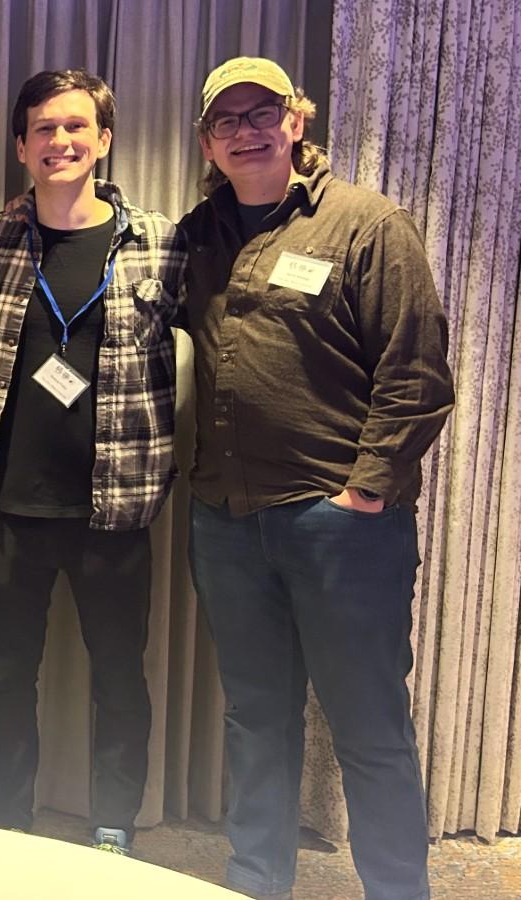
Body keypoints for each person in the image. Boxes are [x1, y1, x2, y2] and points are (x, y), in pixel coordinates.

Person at [182, 57, 453, 900]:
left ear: (296, 120)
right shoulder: (200, 233)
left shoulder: (368, 224)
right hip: (226, 521)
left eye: (264, 111)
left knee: (368, 725)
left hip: (339, 526)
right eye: (228, 120)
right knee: (255, 720)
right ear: (209, 142)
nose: (248, 130)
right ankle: (256, 883)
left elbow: (417, 375)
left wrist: (364, 492)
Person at [0, 69, 187, 855]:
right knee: (5, 679)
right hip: (9, 505)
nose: (61, 142)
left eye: (76, 127)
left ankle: (113, 825)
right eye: (44, 130)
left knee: (121, 677)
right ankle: (7, 823)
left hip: (114, 510)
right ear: (21, 146)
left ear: (104, 140)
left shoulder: (161, 243)